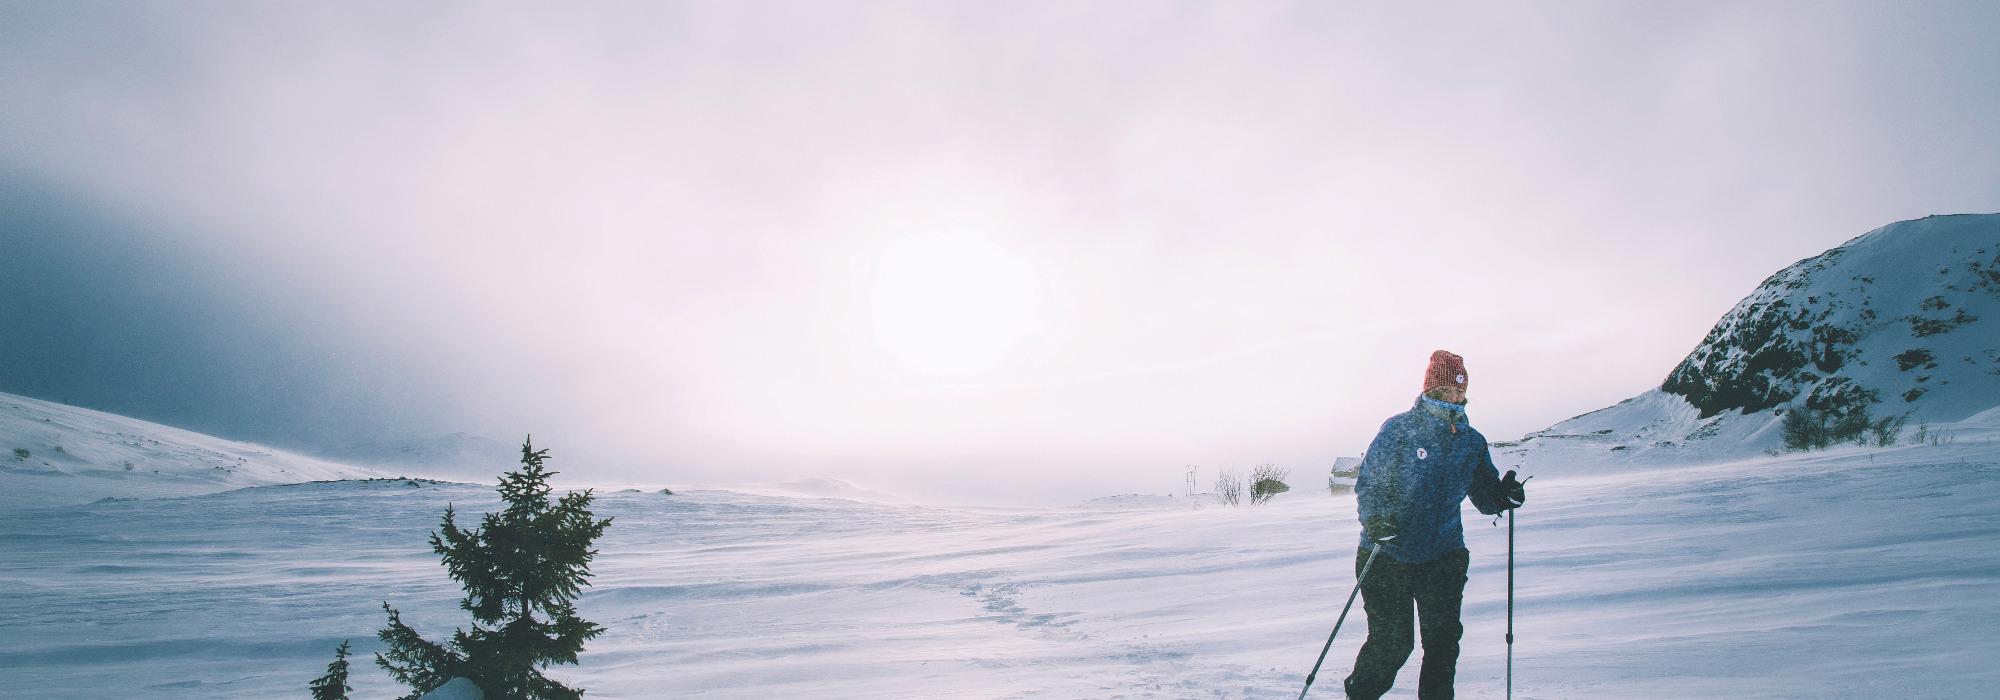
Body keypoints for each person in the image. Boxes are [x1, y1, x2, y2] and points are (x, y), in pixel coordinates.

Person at [1343, 350, 1525, 700]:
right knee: (1393, 645)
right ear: (1429, 391)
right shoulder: (1399, 429)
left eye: (1458, 392)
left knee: (1442, 646)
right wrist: (1377, 519)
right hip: (1387, 554)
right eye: (1444, 392)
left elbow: (1484, 496)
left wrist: (1504, 496)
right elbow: (1370, 483)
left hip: (1443, 555)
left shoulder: (1471, 441)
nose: (1452, 399)